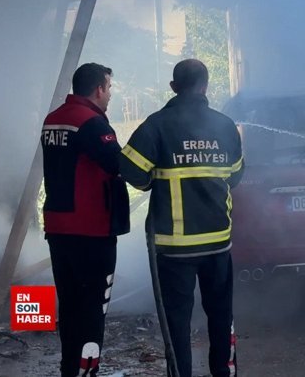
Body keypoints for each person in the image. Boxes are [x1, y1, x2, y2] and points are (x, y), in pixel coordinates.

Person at [119, 59, 244, 377]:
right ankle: (224, 373)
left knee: (177, 324)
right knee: (221, 316)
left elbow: (130, 168)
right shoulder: (225, 126)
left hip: (174, 249)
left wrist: (151, 180)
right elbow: (235, 175)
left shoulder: (158, 124)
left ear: (174, 87)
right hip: (218, 243)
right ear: (206, 86)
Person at [41, 63, 130, 377]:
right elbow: (120, 165)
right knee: (93, 310)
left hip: (59, 229)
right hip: (92, 231)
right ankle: (85, 372)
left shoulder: (53, 120)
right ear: (99, 88)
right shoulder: (92, 123)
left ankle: (70, 370)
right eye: (109, 88)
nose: (110, 95)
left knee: (70, 306)